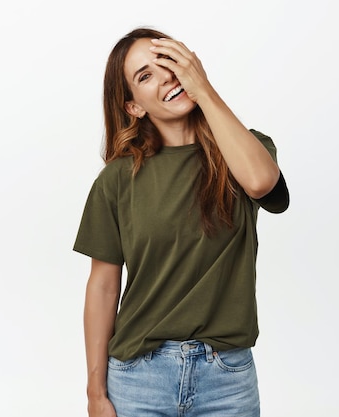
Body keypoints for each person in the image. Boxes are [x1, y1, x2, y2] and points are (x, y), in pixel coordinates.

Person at [73, 27, 289, 417]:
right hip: (139, 379)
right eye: (145, 76)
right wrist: (95, 392)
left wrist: (203, 89)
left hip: (227, 378)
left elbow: (260, 182)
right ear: (133, 107)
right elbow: (103, 286)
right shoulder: (118, 180)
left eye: (168, 63)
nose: (166, 77)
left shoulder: (242, 151)